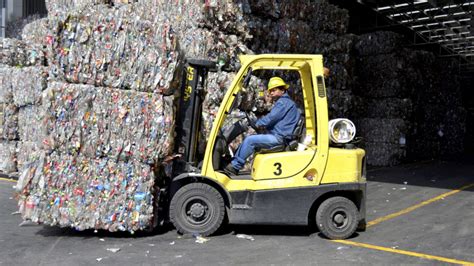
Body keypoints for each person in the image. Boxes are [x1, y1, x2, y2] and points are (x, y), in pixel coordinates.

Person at [224, 77, 301, 175]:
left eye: (274, 90)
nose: (271, 93)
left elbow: (271, 118)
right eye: (270, 91)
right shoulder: (287, 102)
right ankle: (233, 161)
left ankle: (235, 166)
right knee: (250, 139)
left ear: (282, 90)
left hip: (279, 138)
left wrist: (257, 123)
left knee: (249, 140)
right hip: (280, 136)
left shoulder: (283, 103)